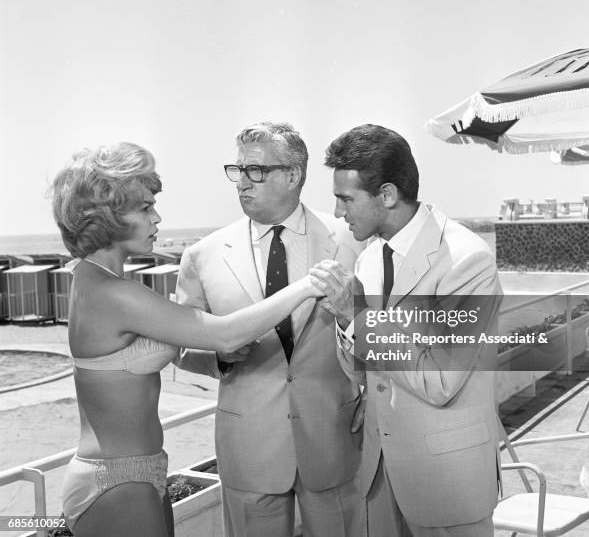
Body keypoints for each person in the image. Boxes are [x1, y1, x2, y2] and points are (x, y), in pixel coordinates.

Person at [51, 142, 325, 537]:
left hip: (135, 471)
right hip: (119, 480)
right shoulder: (115, 294)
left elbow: (192, 340)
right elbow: (225, 331)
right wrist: (308, 285)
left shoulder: (93, 279)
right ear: (107, 215)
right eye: (145, 208)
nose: (157, 218)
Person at [175, 122, 364, 537]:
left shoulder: (353, 242)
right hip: (250, 448)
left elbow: (378, 327)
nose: (242, 182)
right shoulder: (203, 255)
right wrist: (220, 356)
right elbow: (181, 349)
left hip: (333, 440)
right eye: (237, 170)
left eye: (255, 171)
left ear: (293, 175)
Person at [312, 124, 501, 537]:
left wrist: (356, 318)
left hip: (448, 482)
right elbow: (364, 372)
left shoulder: (468, 261)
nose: (339, 213)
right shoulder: (369, 258)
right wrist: (346, 322)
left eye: (345, 199)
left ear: (387, 195)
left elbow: (440, 380)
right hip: (380, 476)